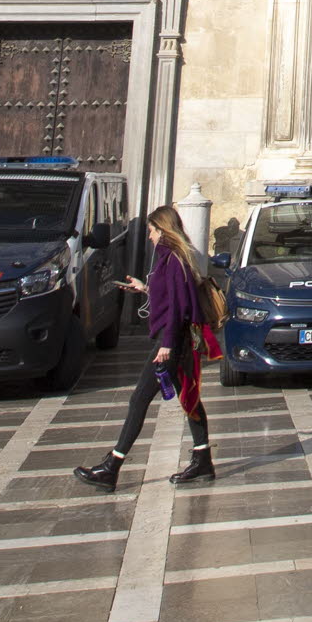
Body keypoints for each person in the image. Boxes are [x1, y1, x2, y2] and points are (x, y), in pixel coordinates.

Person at [72, 204, 216, 490]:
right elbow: (172, 297)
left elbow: (178, 307)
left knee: (139, 399)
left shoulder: (173, 259)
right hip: (177, 339)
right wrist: (144, 288)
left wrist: (167, 344)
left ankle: (112, 467)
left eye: (151, 231)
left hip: (172, 341)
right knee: (189, 397)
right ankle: (203, 460)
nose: (148, 236)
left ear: (162, 230)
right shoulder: (172, 258)